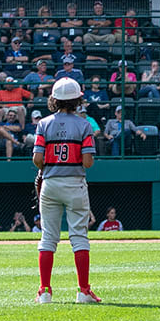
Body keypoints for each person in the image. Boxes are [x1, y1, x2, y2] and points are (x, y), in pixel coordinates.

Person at [33, 76, 101, 304]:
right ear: (77, 99)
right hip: (74, 182)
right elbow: (88, 162)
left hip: (51, 183)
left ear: (54, 99)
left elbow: (37, 159)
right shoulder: (84, 125)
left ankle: (44, 291)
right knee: (79, 237)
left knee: (48, 238)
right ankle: (83, 290)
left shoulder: (43, 123)